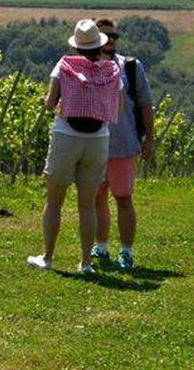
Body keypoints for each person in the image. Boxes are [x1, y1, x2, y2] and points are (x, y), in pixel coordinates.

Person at [28, 19, 122, 275]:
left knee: (55, 201)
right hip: (98, 138)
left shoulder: (65, 64)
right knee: (88, 204)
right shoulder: (113, 70)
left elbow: (50, 102)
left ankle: (47, 256)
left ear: (77, 45)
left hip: (66, 134)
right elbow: (118, 106)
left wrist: (51, 104)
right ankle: (86, 263)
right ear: (100, 44)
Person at [92, 18, 155, 269]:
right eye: (105, 35)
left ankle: (127, 252)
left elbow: (145, 104)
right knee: (96, 198)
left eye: (114, 36)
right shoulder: (84, 67)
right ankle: (101, 247)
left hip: (123, 145)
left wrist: (149, 138)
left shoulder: (130, 67)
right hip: (93, 144)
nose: (110, 40)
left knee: (124, 198)